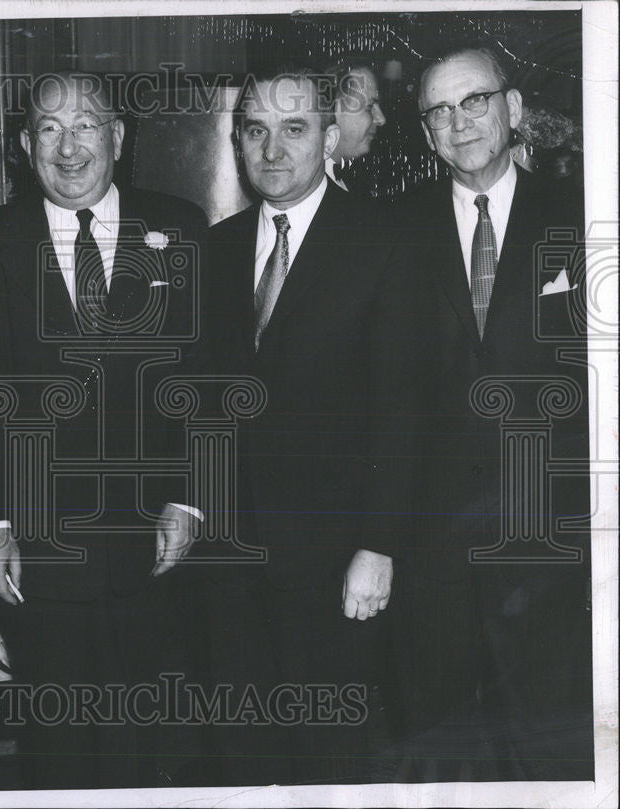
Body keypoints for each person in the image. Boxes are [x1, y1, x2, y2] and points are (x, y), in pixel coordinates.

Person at [0, 71, 210, 790]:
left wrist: (190, 498)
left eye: (86, 125)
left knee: (148, 744)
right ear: (26, 146)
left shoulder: (181, 227)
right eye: (50, 130)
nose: (69, 147)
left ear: (117, 137)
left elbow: (206, 375)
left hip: (155, 540)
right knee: (56, 747)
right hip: (38, 551)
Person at [382, 44, 592, 781]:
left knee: (549, 748)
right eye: (438, 110)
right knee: (433, 748)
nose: (457, 121)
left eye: (473, 101)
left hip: (550, 547)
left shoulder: (585, 218)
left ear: (513, 109)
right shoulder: (391, 231)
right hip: (430, 550)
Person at [205, 63, 409, 785]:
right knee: (242, 759)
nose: (272, 149)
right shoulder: (218, 248)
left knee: (330, 758)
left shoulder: (384, 242)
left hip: (335, 566)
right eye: (255, 130)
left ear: (329, 135)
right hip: (230, 569)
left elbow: (402, 409)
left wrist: (378, 545)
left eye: (294, 129)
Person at [324, 58, 387, 190]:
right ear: (333, 109)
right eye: (369, 107)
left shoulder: (354, 179)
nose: (381, 119)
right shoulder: (302, 188)